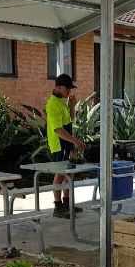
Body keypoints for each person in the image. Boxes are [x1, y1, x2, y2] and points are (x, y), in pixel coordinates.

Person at [46, 73, 87, 219]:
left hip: (67, 143)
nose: (69, 91)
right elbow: (58, 130)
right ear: (57, 87)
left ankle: (67, 203)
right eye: (67, 88)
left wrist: (71, 105)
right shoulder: (52, 103)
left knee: (69, 173)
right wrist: (75, 141)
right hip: (59, 144)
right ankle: (58, 207)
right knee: (60, 174)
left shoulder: (62, 100)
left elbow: (70, 119)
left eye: (70, 88)